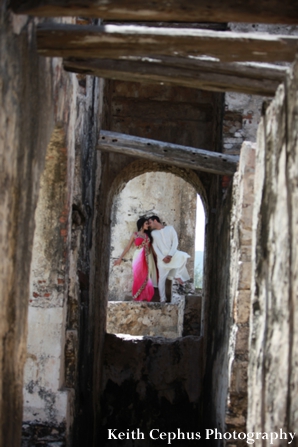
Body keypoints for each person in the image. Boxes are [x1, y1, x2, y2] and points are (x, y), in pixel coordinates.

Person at [113, 217, 158, 302]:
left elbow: (153, 248)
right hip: (138, 258)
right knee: (138, 277)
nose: (148, 225)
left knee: (147, 277)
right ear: (141, 224)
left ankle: (146, 297)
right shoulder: (135, 235)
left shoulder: (148, 235)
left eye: (148, 223)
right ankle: (138, 297)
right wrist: (120, 259)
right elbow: (127, 247)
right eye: (146, 223)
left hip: (148, 258)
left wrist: (158, 258)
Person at [148, 215, 190, 303]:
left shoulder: (170, 229)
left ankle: (178, 275)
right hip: (162, 259)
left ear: (155, 220)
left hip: (173, 254)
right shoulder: (153, 233)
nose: (149, 225)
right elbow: (155, 246)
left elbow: (175, 241)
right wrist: (163, 258)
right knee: (162, 279)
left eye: (150, 222)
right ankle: (162, 298)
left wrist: (170, 255)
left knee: (184, 256)